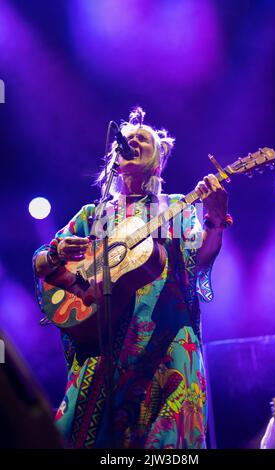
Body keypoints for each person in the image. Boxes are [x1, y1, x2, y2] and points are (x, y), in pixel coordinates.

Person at [33, 107, 230, 449]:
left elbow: (201, 257)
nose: (133, 141)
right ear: (115, 159)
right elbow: (40, 263)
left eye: (144, 139)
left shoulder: (178, 207)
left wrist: (213, 217)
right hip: (104, 344)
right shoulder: (93, 215)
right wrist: (57, 253)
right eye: (128, 139)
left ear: (158, 160)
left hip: (166, 342)